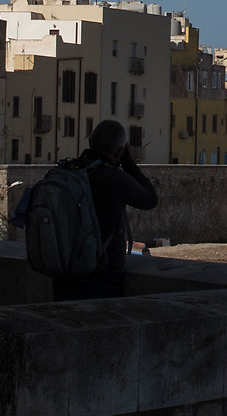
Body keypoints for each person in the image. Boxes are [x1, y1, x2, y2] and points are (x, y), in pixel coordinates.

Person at [52, 120, 159, 301]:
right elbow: (150, 199)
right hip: (100, 279)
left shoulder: (66, 172)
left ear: (90, 142)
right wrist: (129, 163)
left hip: (63, 274)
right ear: (119, 151)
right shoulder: (112, 178)